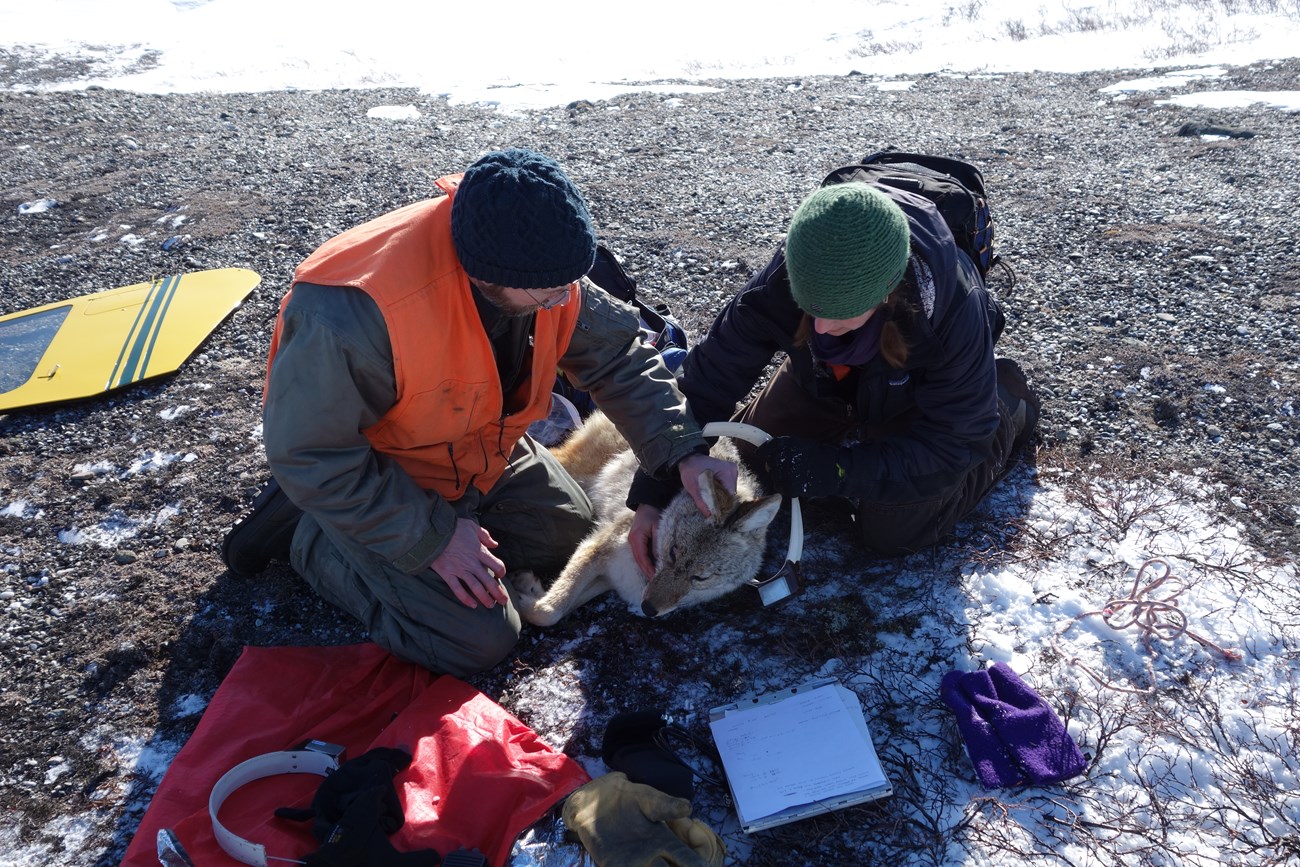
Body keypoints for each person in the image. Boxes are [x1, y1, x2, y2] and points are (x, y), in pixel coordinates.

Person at [222, 148, 736, 677]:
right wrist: (434, 538)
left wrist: (683, 451)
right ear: (485, 271)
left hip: (479, 447)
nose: (564, 301)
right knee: (476, 640)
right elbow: (312, 452)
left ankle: (440, 525)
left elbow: (617, 356)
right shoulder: (350, 311)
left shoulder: (542, 266)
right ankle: (309, 533)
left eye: (570, 285)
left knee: (572, 534)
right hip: (382, 470)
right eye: (550, 291)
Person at [626, 178, 1038, 571]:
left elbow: (952, 445)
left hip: (920, 396)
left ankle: (1007, 403)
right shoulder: (794, 271)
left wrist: (838, 469)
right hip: (827, 380)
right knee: (751, 459)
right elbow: (710, 376)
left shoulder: (953, 308)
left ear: (887, 293)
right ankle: (847, 415)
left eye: (840, 315)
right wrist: (655, 491)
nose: (821, 328)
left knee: (895, 531)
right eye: (811, 309)